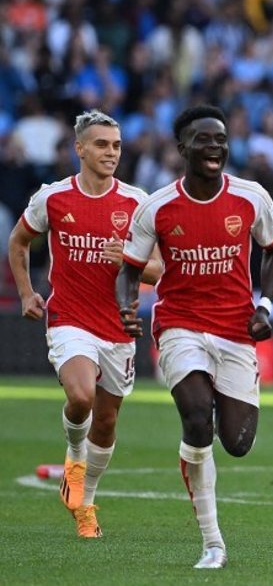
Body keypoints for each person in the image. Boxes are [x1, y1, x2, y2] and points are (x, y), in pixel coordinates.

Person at [116, 105, 273, 569]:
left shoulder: (251, 198)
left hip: (235, 330)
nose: (215, 147)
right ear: (182, 149)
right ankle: (213, 542)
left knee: (236, 442)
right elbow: (129, 269)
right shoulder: (157, 207)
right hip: (180, 324)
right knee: (196, 418)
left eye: (221, 139)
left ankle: (207, 434)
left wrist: (264, 306)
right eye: (203, 139)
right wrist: (126, 306)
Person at [8, 110, 160, 538]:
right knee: (80, 395)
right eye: (101, 144)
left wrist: (130, 261)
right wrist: (25, 293)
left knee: (107, 422)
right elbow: (19, 241)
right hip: (69, 318)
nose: (111, 152)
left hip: (118, 325)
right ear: (80, 149)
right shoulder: (53, 198)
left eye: (115, 145)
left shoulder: (136, 202)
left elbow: (159, 269)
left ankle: (85, 503)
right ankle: (74, 456)